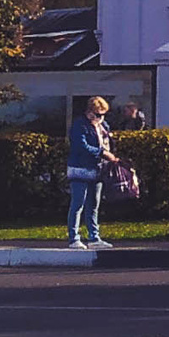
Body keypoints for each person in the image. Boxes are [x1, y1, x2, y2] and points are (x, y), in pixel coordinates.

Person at [65, 94, 112, 245]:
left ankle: (94, 237)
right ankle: (74, 237)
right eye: (98, 115)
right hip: (80, 168)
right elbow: (81, 146)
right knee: (78, 204)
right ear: (89, 112)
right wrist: (101, 153)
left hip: (97, 169)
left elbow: (108, 142)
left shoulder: (103, 126)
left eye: (103, 115)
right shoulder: (80, 125)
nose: (100, 118)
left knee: (93, 205)